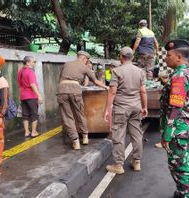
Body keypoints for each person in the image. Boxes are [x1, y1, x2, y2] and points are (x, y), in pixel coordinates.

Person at [160, 40, 189, 198]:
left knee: (178, 165)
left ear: (178, 57)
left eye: (168, 55)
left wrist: (167, 133)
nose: (166, 58)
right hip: (186, 127)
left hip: (178, 129)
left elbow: (176, 106)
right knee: (185, 162)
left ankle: (185, 194)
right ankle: (183, 192)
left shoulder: (179, 76)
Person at [103, 46, 148, 174]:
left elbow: (112, 91)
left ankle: (118, 165)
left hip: (121, 108)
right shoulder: (140, 72)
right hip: (136, 107)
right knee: (137, 134)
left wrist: (107, 109)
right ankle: (137, 162)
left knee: (118, 134)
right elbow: (143, 91)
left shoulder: (117, 71)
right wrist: (145, 107)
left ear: (120, 57)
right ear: (132, 57)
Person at [57, 51, 108, 150]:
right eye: (87, 60)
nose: (87, 62)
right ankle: (85, 137)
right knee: (80, 113)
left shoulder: (67, 64)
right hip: (75, 91)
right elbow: (96, 81)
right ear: (84, 59)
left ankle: (75, 141)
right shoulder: (85, 67)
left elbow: (60, 79)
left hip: (62, 90)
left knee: (67, 117)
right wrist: (106, 87)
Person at [17, 56, 43, 137]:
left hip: (23, 96)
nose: (34, 63)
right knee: (34, 114)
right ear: (28, 62)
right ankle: (34, 132)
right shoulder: (30, 72)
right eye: (33, 62)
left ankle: (26, 132)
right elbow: (32, 84)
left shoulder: (20, 72)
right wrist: (39, 96)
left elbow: (19, 85)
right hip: (31, 96)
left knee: (25, 114)